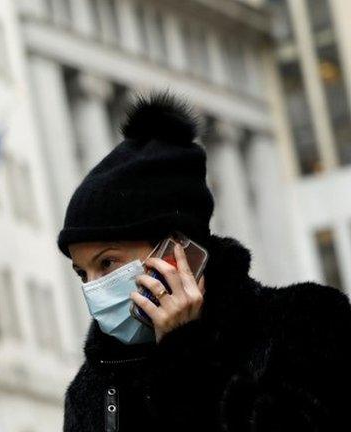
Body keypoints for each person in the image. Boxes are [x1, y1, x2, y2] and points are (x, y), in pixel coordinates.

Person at [59, 93, 351, 432]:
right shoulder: (92, 386)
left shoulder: (307, 321)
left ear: (176, 251)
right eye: (83, 273)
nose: (93, 288)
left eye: (107, 263)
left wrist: (184, 355)